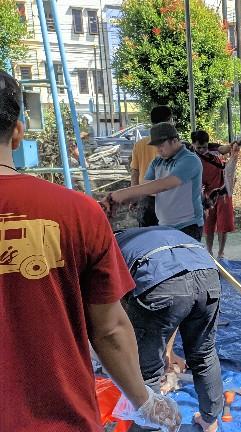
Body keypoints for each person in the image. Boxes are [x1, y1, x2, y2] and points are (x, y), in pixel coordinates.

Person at [0, 71, 180, 431]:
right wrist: (144, 401)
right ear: (19, 132)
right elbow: (109, 329)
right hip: (61, 419)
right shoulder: (76, 212)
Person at [114, 226, 224, 432]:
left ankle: (149, 428)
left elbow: (111, 314)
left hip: (160, 281)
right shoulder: (151, 234)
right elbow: (173, 311)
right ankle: (210, 419)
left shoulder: (109, 247)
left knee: (147, 372)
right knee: (204, 354)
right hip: (207, 275)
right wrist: (166, 352)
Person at [101, 122, 204, 241]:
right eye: (156, 146)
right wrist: (117, 201)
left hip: (188, 226)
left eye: (161, 145)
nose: (158, 150)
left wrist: (121, 194)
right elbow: (147, 187)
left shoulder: (190, 160)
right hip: (164, 225)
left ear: (174, 140)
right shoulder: (157, 161)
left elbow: (164, 184)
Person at [192, 130, 238, 258]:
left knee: (223, 224)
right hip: (206, 195)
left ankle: (221, 252)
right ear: (193, 145)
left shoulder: (213, 148)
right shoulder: (190, 154)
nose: (202, 150)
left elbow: (225, 149)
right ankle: (209, 251)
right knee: (208, 225)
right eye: (198, 147)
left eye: (204, 147)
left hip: (222, 192)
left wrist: (237, 142)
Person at [130, 106, 175, 227]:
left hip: (146, 199)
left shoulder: (140, 144)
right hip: (169, 200)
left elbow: (135, 173)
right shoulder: (174, 144)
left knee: (147, 239)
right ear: (169, 121)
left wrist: (134, 196)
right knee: (170, 240)